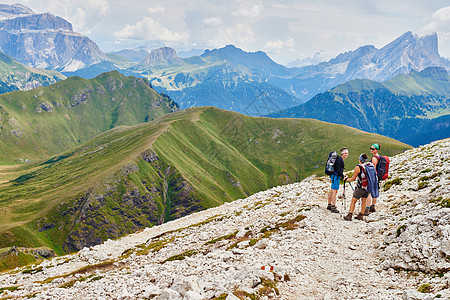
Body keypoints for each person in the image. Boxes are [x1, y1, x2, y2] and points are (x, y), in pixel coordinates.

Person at [343, 153, 370, 221]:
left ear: (359, 159)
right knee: (364, 201)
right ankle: (361, 215)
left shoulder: (358, 167)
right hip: (367, 187)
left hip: (360, 187)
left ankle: (349, 215)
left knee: (353, 201)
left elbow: (353, 178)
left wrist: (346, 179)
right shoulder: (368, 165)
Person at [327, 148, 349, 213]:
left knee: (332, 190)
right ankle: (333, 207)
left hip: (333, 175)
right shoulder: (341, 160)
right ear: (342, 153)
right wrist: (343, 176)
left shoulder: (339, 159)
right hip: (336, 176)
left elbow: (338, 169)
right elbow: (339, 170)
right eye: (345, 153)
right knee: (335, 191)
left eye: (347, 153)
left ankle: (329, 205)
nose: (346, 154)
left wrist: (343, 174)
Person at [367, 143, 381, 213]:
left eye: (373, 149)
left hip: (372, 176)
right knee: (375, 191)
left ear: (377, 150)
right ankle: (373, 206)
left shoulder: (374, 158)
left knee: (369, 192)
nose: (371, 150)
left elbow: (373, 168)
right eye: (371, 148)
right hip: (377, 176)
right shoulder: (379, 157)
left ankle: (367, 208)